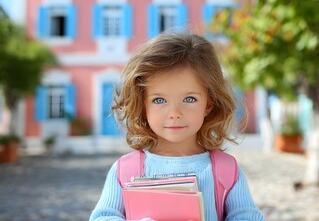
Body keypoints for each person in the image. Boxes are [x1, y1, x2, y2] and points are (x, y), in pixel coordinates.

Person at [90, 32, 266, 221]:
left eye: (189, 99)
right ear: (143, 105)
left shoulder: (226, 170)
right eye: (159, 100)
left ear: (208, 104)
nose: (174, 112)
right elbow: (104, 216)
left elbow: (247, 215)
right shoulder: (125, 170)